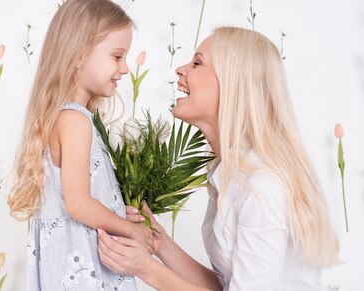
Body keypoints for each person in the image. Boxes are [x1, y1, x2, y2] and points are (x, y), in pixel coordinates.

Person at [97, 27, 340, 291]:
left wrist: (146, 269)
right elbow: (227, 285)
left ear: (232, 83)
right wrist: (161, 245)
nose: (180, 69)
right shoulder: (231, 173)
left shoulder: (262, 184)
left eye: (197, 63)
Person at [8, 0, 153, 290]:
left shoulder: (68, 116)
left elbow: (77, 197)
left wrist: (114, 211)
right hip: (83, 265)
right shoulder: (75, 121)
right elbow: (78, 203)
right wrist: (132, 232)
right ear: (79, 54)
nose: (124, 68)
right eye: (117, 56)